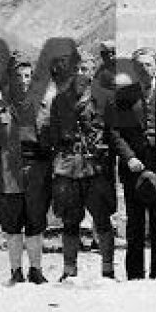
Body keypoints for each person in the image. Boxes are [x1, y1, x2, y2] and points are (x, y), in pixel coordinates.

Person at [106, 48, 156, 280]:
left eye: (149, 65)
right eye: (139, 65)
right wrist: (129, 157)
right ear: (133, 69)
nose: (144, 69)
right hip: (134, 166)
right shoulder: (122, 96)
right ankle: (134, 273)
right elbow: (114, 132)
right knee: (135, 224)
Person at [0, 52, 52, 285]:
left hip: (36, 173)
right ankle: (15, 271)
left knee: (36, 221)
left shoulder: (43, 106)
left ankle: (36, 269)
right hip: (8, 173)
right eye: (18, 76)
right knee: (12, 223)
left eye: (27, 76)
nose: (23, 81)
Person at [49, 52, 117, 281]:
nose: (80, 74)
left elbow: (113, 133)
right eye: (76, 70)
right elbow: (55, 135)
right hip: (68, 168)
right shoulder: (60, 100)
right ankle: (69, 269)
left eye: (85, 69)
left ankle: (108, 269)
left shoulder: (105, 97)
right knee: (69, 220)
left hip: (96, 168)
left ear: (91, 73)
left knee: (102, 219)